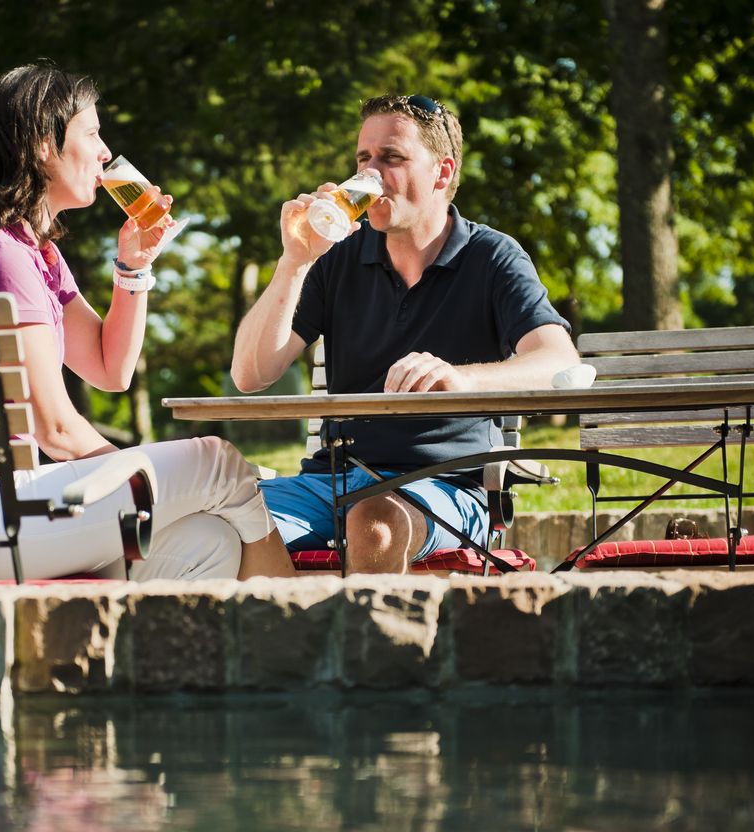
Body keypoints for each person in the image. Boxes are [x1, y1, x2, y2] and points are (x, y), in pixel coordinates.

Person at [0, 64, 295, 581]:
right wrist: (142, 474)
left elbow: (109, 370)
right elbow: (55, 428)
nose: (105, 152)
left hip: (3, 515)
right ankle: (303, 639)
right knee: (218, 464)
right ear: (40, 145)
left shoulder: (40, 258)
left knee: (207, 543)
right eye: (92, 133)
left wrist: (134, 268)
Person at [231, 94, 582, 573]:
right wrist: (294, 261)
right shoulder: (335, 257)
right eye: (363, 158)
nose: (370, 175)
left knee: (375, 519)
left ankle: (371, 648)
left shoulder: (493, 257)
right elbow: (250, 375)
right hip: (331, 481)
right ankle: (292, 644)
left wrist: (460, 379)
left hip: (446, 485)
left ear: (441, 172)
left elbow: (560, 362)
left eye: (391, 158)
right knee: (224, 517)